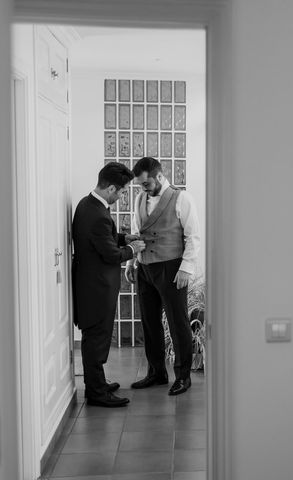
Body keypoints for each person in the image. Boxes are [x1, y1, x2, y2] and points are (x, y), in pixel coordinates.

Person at [72, 162, 146, 407]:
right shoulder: (97, 215)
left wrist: (125, 237)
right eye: (122, 191)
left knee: (97, 338)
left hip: (91, 284)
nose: (123, 196)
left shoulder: (87, 204)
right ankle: (96, 393)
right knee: (97, 339)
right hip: (96, 288)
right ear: (112, 188)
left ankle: (98, 384)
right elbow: (111, 255)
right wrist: (132, 249)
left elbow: (101, 240)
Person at [125, 157, 200, 396]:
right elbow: (137, 233)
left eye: (145, 183)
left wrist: (186, 269)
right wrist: (131, 261)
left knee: (178, 324)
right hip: (145, 267)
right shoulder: (140, 198)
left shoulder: (182, 198)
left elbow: (193, 237)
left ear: (158, 176)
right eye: (139, 185)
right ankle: (157, 372)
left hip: (172, 268)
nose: (142, 189)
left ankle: (183, 376)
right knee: (149, 322)